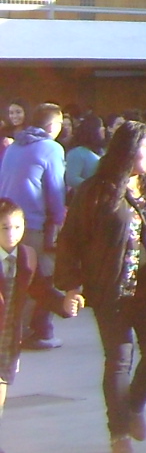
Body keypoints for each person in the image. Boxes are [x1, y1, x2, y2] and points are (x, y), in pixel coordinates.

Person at [54, 121, 146, 453]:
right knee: (119, 360)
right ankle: (118, 432)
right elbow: (70, 241)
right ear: (127, 149)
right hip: (112, 290)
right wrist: (72, 286)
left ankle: (133, 407)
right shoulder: (95, 191)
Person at [0, 197, 81, 453]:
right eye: (4, 228)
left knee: (2, 383)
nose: (12, 234)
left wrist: (63, 305)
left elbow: (40, 290)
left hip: (8, 335)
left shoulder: (27, 256)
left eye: (17, 227)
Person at [0, 104, 67, 352]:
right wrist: (59, 222)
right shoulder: (51, 148)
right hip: (32, 223)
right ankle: (32, 332)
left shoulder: (14, 146)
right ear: (52, 126)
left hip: (6, 219)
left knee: (12, 277)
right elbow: (56, 189)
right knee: (39, 278)